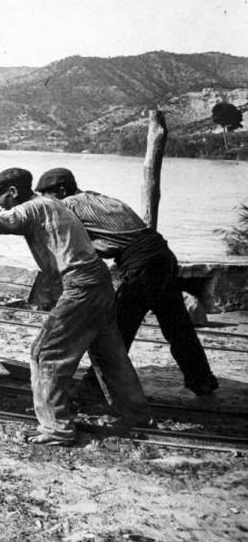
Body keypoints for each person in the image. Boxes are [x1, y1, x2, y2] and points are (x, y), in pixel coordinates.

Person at [0, 168, 151, 446]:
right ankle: (135, 413)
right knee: (108, 353)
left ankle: (57, 428)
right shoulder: (46, 204)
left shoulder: (34, 208)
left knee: (45, 354)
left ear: (13, 193)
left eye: (0, 197)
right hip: (98, 282)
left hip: (81, 286)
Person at [34, 167, 219, 400]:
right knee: (177, 326)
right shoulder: (97, 197)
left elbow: (50, 226)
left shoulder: (68, 205)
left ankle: (93, 389)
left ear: (61, 191)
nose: (45, 201)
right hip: (162, 256)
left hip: (143, 264)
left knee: (116, 328)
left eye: (46, 196)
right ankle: (203, 382)